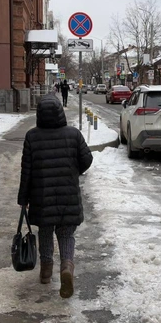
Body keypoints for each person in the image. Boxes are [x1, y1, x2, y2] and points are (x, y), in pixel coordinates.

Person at [17, 95, 93, 298]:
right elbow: (87, 160)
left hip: (42, 198)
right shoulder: (74, 135)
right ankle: (67, 266)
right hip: (69, 195)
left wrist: (23, 199)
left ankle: (46, 271)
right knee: (67, 234)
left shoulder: (32, 137)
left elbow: (27, 171)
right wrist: (73, 171)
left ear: (39, 115)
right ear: (60, 112)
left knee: (45, 231)